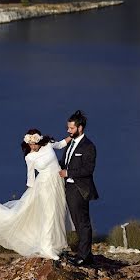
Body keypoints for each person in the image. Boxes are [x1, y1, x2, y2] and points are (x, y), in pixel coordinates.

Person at [0, 129, 70, 260]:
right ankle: (47, 248)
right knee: (49, 214)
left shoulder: (48, 144)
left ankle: (55, 245)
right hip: (44, 186)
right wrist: (29, 195)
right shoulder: (29, 157)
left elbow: (61, 144)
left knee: (57, 213)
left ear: (39, 140)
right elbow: (30, 177)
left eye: (34, 143)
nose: (33, 146)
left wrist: (73, 136)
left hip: (58, 183)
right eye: (30, 144)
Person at [52, 110, 99, 266]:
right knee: (76, 222)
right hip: (70, 188)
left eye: (71, 128)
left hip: (80, 189)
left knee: (82, 222)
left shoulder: (88, 146)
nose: (68, 131)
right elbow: (65, 162)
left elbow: (88, 170)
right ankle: (85, 254)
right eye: (68, 128)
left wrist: (68, 173)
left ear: (80, 128)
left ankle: (84, 256)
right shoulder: (71, 144)